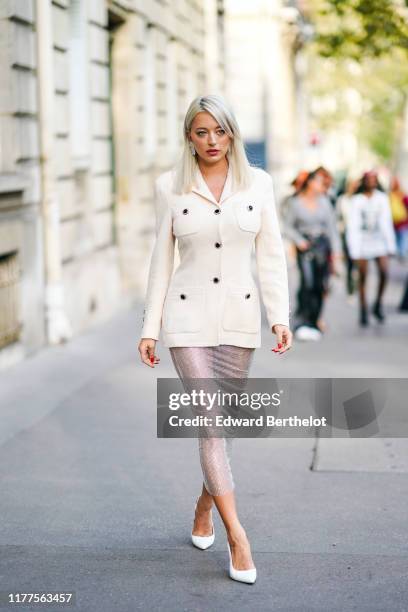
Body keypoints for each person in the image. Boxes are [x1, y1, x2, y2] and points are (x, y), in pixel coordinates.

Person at [138, 94, 292, 585]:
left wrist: (279, 317)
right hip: (185, 323)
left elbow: (271, 256)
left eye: (220, 132)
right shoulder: (170, 187)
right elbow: (161, 261)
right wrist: (149, 326)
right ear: (189, 135)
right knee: (210, 423)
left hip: (240, 321)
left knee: (220, 427)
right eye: (202, 132)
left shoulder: (259, 184)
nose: (211, 141)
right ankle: (237, 536)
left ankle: (204, 507)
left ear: (232, 135)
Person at [283, 168, 342, 341]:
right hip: (305, 247)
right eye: (318, 181)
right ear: (309, 182)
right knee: (307, 283)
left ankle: (315, 321)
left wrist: (337, 252)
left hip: (322, 246)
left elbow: (332, 229)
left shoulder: (325, 201)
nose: (321, 185)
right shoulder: (296, 202)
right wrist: (299, 240)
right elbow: (287, 226)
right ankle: (304, 321)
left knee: (320, 285)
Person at [345, 170, 397, 326]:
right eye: (369, 179)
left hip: (378, 240)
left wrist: (390, 245)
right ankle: (363, 308)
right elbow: (352, 225)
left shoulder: (382, 198)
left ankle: (378, 304)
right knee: (363, 275)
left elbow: (386, 222)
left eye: (374, 179)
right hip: (362, 241)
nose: (371, 182)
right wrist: (353, 249)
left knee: (384, 271)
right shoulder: (357, 200)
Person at [335, 177, 360, 296]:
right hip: (346, 234)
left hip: (359, 235)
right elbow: (337, 217)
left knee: (358, 263)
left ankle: (357, 283)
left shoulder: (359, 199)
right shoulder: (342, 199)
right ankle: (350, 285)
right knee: (349, 262)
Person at [389, 176, 408, 260]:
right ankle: (400, 252)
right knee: (399, 238)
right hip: (394, 222)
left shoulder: (400, 194)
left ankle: (401, 252)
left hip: (402, 221)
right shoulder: (391, 195)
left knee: (402, 238)